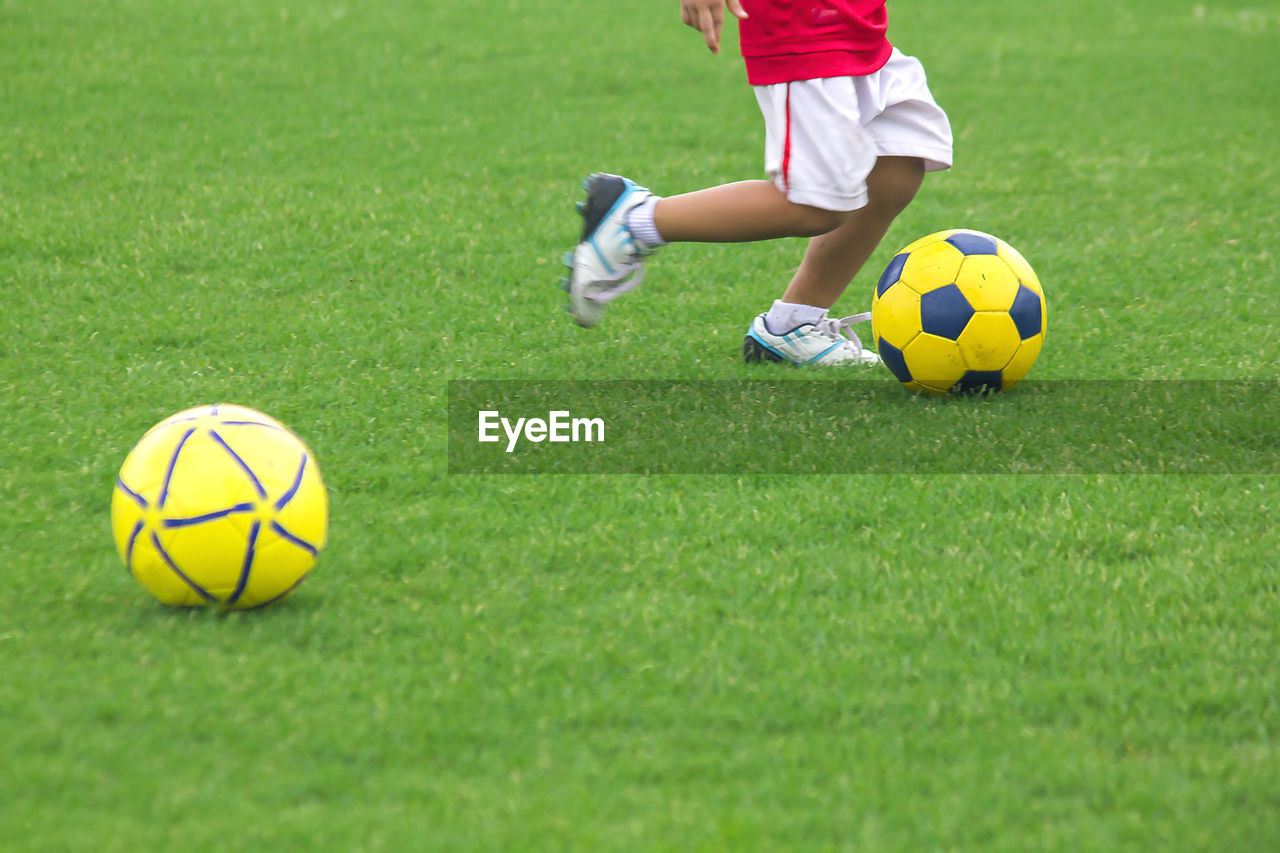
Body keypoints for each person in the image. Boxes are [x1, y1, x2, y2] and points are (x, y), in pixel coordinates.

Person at [562, 0, 953, 366]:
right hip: (804, 29)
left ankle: (793, 326)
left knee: (896, 164)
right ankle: (635, 222)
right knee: (819, 203)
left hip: (856, 22)